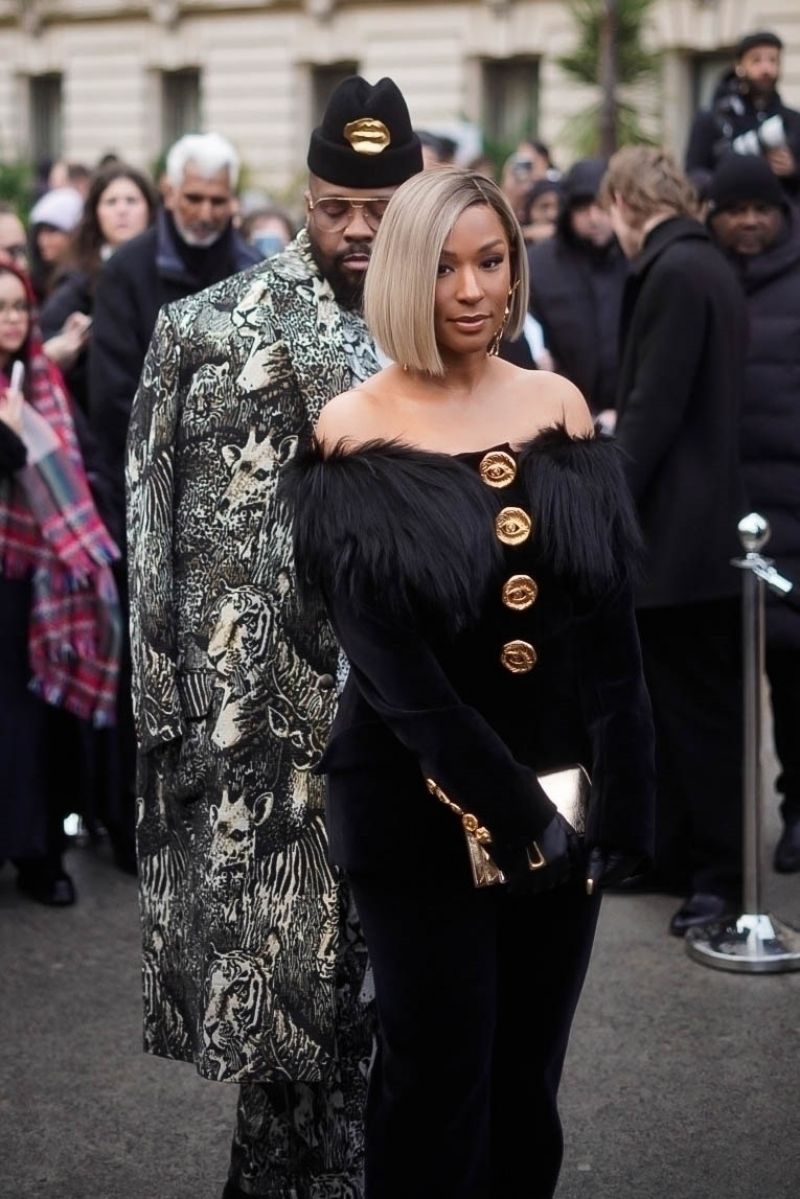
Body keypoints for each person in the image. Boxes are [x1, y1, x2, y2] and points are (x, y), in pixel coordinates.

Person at [285, 166, 655, 1199]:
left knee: (526, 1080)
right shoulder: (349, 428)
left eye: (490, 260)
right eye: (444, 266)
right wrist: (516, 811)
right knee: (435, 1074)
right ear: (402, 274)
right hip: (413, 810)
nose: (471, 288)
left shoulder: (556, 403)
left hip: (563, 797)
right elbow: (397, 678)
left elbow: (605, 628)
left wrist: (623, 789)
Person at [126, 77, 423, 1198]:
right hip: (254, 729)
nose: (357, 228)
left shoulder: (441, 335)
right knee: (285, 1011)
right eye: (337, 204)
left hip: (405, 723)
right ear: (303, 197)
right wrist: (163, 709)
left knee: (390, 1000)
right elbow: (149, 525)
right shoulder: (204, 329)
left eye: (380, 206)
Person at [89, 133, 259, 875]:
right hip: (150, 501)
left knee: (226, 665)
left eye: (219, 200)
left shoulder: (254, 265)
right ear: (168, 193)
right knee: (150, 668)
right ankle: (141, 823)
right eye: (195, 198)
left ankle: (221, 816)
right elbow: (115, 395)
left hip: (234, 506)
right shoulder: (126, 271)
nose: (207, 212)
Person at [601, 146, 748, 935]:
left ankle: (717, 875)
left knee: (698, 720)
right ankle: (678, 857)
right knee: (675, 711)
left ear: (624, 198)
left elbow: (652, 410)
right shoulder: (704, 264)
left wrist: (604, 505)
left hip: (680, 542)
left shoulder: (677, 270)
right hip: (696, 533)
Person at [0, 262, 120, 906]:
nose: (13, 319)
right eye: (2, 309)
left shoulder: (44, 384)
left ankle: (41, 853)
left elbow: (84, 466)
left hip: (45, 584)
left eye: (20, 307)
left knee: (43, 721)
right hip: (8, 578)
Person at [707, 153, 800, 874]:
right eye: (733, 210)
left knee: (795, 678)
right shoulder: (702, 276)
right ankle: (722, 830)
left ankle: (797, 811)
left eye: (757, 210)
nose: (746, 222)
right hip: (719, 506)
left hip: (792, 506)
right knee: (722, 681)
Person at [41, 162, 159, 412]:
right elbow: (44, 338)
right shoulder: (77, 280)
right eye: (111, 202)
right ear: (96, 212)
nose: (122, 210)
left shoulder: (169, 273)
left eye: (131, 200)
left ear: (149, 209)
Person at [528, 159, 628, 425]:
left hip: (628, 420)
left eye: (602, 207)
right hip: (560, 419)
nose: (594, 218)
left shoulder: (635, 260)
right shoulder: (539, 266)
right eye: (584, 208)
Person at [685, 30, 800, 201]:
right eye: (756, 60)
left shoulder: (793, 121)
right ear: (739, 66)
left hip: (782, 220)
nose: (766, 69)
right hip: (726, 217)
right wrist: (731, 175)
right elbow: (694, 174)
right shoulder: (711, 119)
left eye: (773, 60)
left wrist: (793, 170)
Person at [27, 186, 84, 303]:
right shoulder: (37, 280)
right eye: (40, 232)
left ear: (74, 233)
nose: (43, 241)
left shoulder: (84, 281)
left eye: (52, 231)